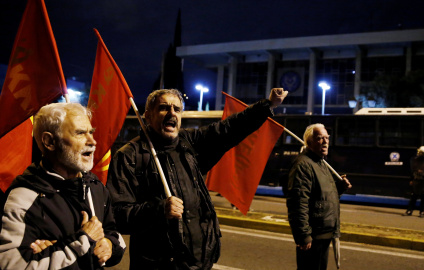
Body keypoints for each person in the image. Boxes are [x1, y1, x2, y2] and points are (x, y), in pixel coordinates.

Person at [107, 88, 288, 269]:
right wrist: (159, 209)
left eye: (177, 109)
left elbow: (229, 129)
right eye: (164, 108)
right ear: (148, 115)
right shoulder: (129, 156)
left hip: (200, 262)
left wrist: (267, 105)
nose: (172, 113)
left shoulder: (189, 142)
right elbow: (117, 215)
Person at [0, 103, 126, 269]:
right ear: (49, 141)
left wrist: (109, 244)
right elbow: (11, 264)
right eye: (80, 133)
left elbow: (114, 232)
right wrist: (83, 241)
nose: (92, 141)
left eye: (91, 132)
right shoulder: (24, 196)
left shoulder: (95, 187)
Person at [286, 123, 352, 270]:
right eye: (319, 138)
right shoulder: (303, 165)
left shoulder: (320, 163)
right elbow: (298, 202)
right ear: (309, 142)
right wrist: (304, 235)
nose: (325, 141)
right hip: (314, 236)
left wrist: (339, 188)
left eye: (327, 138)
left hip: (324, 234)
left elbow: (321, 195)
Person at [403, 146, 424, 218]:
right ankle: (409, 210)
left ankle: (422, 212)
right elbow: (413, 171)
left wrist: (422, 172)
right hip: (417, 180)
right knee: (413, 197)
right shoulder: (415, 160)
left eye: (420, 152)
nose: (418, 153)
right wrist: (411, 179)